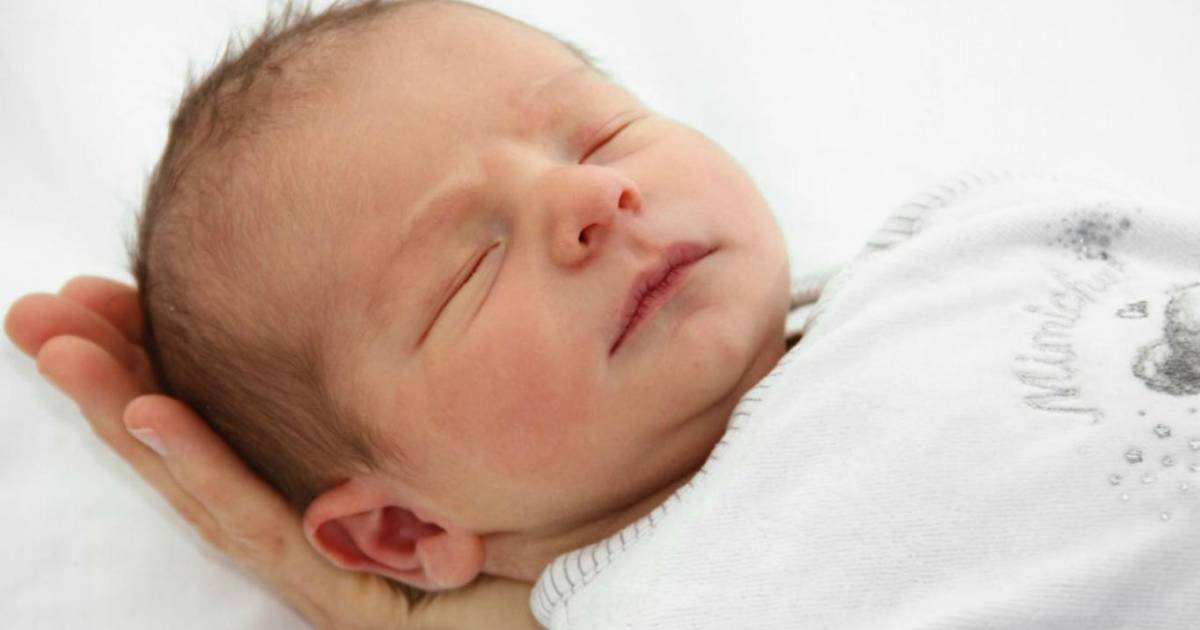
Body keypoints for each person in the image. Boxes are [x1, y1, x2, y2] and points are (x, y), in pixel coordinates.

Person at [7, 1, 1200, 629]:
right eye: (468, 270)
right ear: (402, 533)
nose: (590, 197)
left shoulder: (961, 238)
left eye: (599, 134)